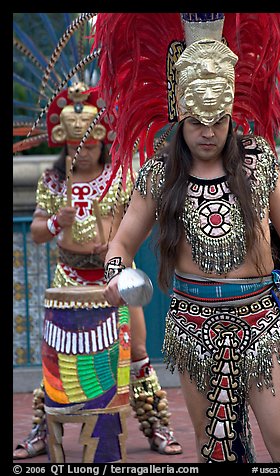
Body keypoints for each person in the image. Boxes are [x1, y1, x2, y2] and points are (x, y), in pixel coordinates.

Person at [94, 13, 280, 463]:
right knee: (215, 451)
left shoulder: (258, 162)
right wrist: (117, 276)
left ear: (231, 112)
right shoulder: (160, 173)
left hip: (260, 320)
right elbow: (121, 244)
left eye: (217, 120)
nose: (208, 133)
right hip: (193, 325)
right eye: (197, 122)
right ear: (180, 111)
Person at [13, 81, 182, 459]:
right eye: (75, 146)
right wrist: (58, 221)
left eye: (88, 145)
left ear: (102, 142)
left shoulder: (121, 176)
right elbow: (39, 232)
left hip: (114, 276)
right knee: (56, 357)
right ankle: (42, 429)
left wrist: (116, 247)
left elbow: (136, 226)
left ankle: (156, 426)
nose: (82, 151)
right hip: (69, 279)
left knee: (136, 351)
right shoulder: (53, 181)